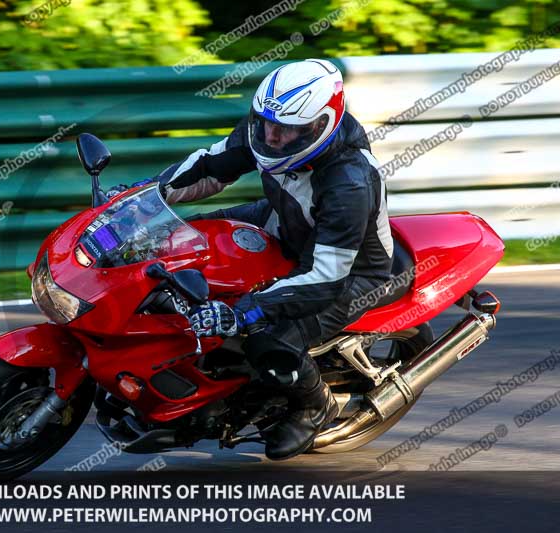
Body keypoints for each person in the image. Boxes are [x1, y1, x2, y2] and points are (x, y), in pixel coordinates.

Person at [113, 59, 393, 460]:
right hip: (284, 222)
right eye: (266, 124)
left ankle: (315, 406)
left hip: (352, 274)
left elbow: (325, 275)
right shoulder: (271, 129)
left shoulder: (349, 182)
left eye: (287, 129)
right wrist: (144, 200)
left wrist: (245, 312)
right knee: (174, 241)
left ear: (320, 124)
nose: (273, 137)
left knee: (266, 336)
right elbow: (212, 166)